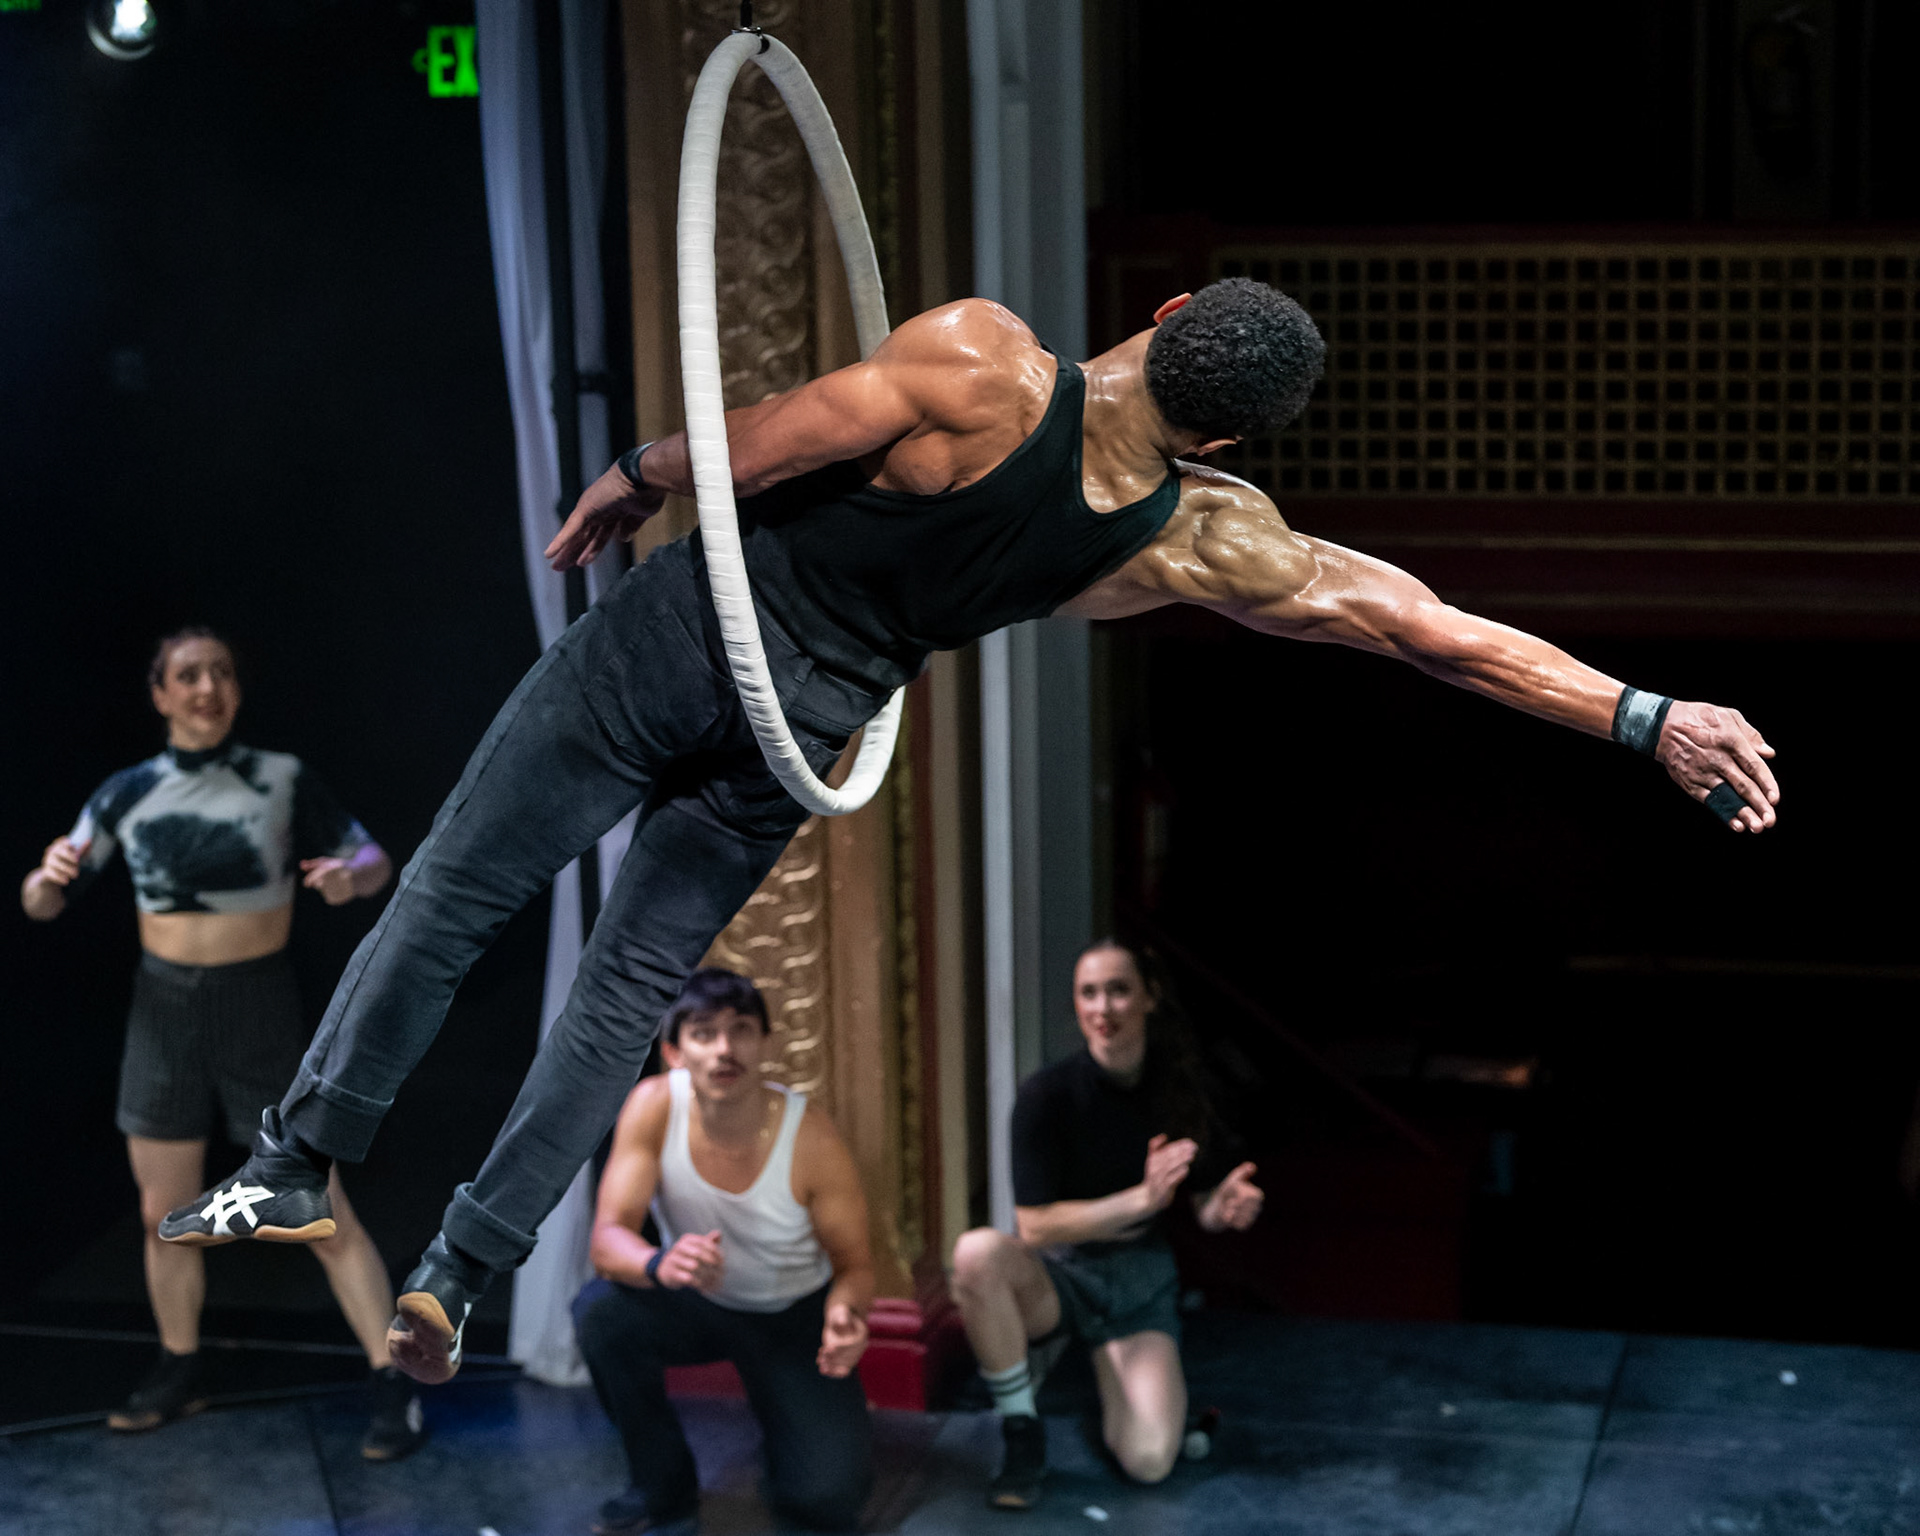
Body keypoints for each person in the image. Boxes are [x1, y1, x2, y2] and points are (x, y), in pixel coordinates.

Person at [156, 280, 1780, 1387]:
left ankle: (300, 1158)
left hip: (682, 646)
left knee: (454, 894)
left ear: (1163, 316)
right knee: (621, 997)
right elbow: (1431, 630)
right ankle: (459, 1267)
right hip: (804, 731)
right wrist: (1645, 716)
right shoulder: (1206, 539)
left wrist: (637, 471)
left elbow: (762, 444)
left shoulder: (985, 359)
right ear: (1226, 442)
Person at [20, 627, 425, 1458]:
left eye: (221, 673)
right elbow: (42, 900)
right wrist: (44, 880)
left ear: (236, 689)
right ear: (160, 694)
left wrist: (351, 878)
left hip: (257, 1005)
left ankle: (393, 1382)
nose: (207, 688)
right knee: (161, 1214)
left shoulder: (280, 777)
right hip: (163, 1010)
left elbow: (373, 858)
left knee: (317, 1209)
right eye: (188, 675)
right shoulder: (128, 791)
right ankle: (179, 1368)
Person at [949, 939, 1257, 1508]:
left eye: (1118, 990)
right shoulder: (1046, 1096)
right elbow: (1035, 1227)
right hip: (1062, 1276)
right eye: (1088, 993)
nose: (1103, 1007)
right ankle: (1021, 1429)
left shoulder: (1182, 1087)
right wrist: (1141, 1199)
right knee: (976, 1253)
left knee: (1149, 1462)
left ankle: (1118, 1379)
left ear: (1149, 997)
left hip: (1139, 1281)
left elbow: (1204, 1204)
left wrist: (1227, 1207)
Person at [571, 968, 874, 1535]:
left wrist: (845, 1314)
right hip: (699, 1301)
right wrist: (659, 1264)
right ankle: (661, 1486)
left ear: (766, 1044)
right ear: (674, 1052)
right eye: (704, 1032)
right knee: (601, 1313)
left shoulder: (810, 1136)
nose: (724, 1049)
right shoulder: (653, 1106)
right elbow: (608, 1241)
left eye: (741, 1030)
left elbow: (855, 1266)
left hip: (792, 1315)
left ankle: (788, 1440)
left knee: (825, 1501)